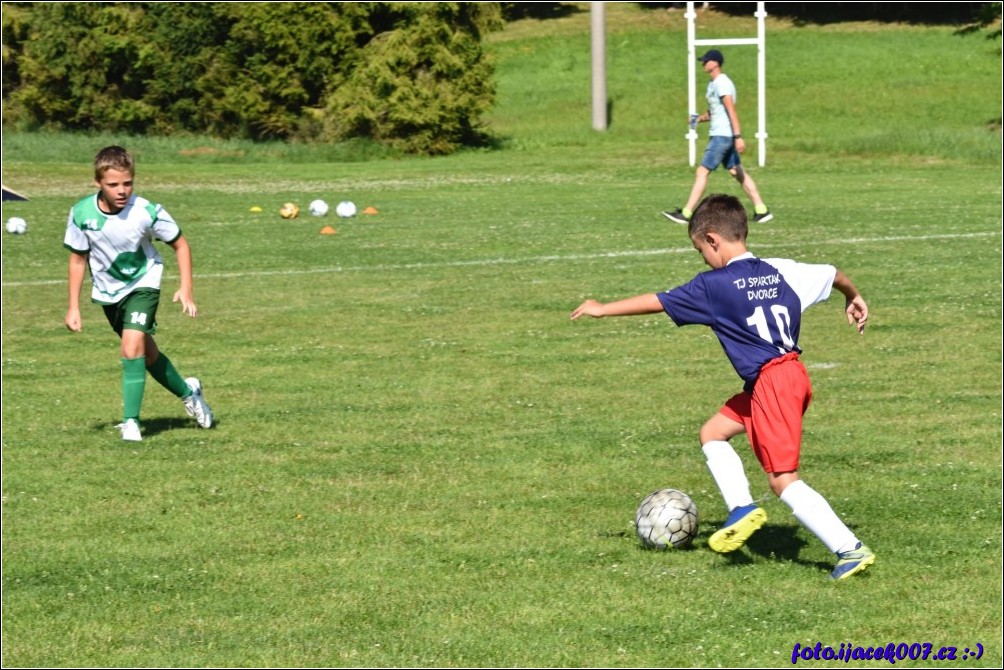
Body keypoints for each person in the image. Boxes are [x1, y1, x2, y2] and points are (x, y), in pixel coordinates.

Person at [572, 194, 874, 580]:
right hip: (788, 377)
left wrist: (602, 307)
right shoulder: (781, 269)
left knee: (783, 480)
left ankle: (849, 549)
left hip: (772, 382)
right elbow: (833, 274)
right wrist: (854, 296)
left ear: (713, 239)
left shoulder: (713, 285)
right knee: (713, 432)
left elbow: (658, 302)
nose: (704, 259)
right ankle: (742, 509)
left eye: (701, 251)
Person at [64, 145, 214, 442]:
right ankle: (190, 392)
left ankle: (130, 423)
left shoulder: (147, 211)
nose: (122, 190)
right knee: (146, 354)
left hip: (144, 282)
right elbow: (78, 259)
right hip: (108, 292)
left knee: (131, 346)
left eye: (127, 183)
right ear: (98, 182)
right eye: (113, 184)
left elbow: (181, 244)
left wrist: (186, 288)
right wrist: (73, 307)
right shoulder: (81, 214)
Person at [663, 49, 773, 226]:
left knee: (702, 172)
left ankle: (686, 213)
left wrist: (738, 136)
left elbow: (731, 110)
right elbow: (716, 111)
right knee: (736, 171)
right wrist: (699, 118)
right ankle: (762, 210)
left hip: (722, 136)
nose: (703, 64)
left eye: (706, 61)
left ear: (715, 63)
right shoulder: (713, 84)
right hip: (722, 134)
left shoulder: (722, 83)